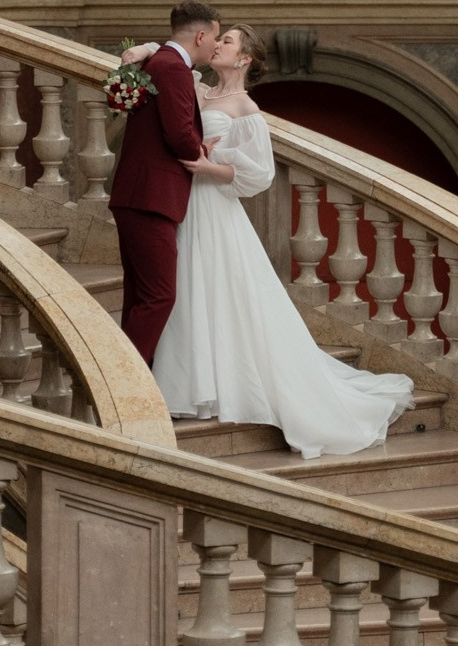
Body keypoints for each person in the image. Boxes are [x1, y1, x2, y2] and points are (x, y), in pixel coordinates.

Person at [151, 28, 416, 459]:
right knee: (187, 287)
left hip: (213, 206)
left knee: (221, 290)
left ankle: (232, 387)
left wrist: (208, 165)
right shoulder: (195, 87)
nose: (218, 44)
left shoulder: (246, 109)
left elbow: (259, 175)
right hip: (182, 202)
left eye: (229, 42)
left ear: (245, 60)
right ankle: (192, 382)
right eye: (218, 38)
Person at [108, 0, 218, 365]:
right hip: (150, 198)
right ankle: (124, 383)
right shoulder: (173, 68)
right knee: (159, 296)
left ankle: (126, 385)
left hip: (138, 195)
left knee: (140, 296)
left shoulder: (160, 60)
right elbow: (178, 133)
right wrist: (201, 148)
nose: (215, 46)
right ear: (200, 35)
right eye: (214, 38)